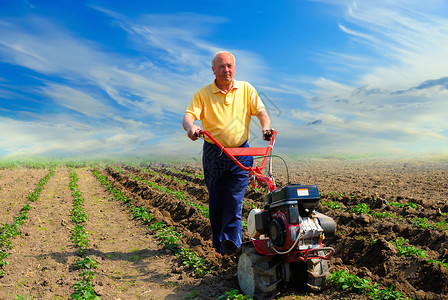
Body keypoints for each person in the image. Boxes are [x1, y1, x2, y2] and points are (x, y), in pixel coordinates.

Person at [182, 51, 272, 255]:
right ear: (213, 70)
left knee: (234, 201)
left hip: (241, 152)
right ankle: (218, 244)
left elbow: (261, 112)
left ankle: (232, 246)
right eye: (221, 66)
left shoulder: (246, 88)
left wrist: (266, 127)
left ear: (235, 67)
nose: (226, 70)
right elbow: (188, 116)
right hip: (215, 153)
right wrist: (192, 128)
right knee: (216, 200)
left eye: (230, 65)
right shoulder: (203, 94)